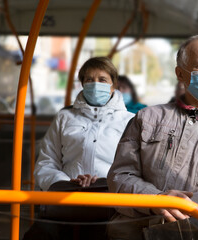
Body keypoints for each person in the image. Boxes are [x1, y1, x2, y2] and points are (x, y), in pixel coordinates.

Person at [107, 35, 198, 239]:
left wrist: (197, 203)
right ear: (180, 74)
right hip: (139, 230)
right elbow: (119, 177)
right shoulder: (147, 118)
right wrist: (157, 200)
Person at [24, 57, 134, 240]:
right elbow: (46, 162)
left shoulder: (129, 120)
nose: (95, 84)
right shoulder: (65, 117)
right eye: (89, 79)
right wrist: (67, 183)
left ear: (113, 85)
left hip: (110, 202)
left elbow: (133, 168)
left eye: (102, 80)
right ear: (82, 84)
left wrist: (102, 181)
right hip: (65, 200)